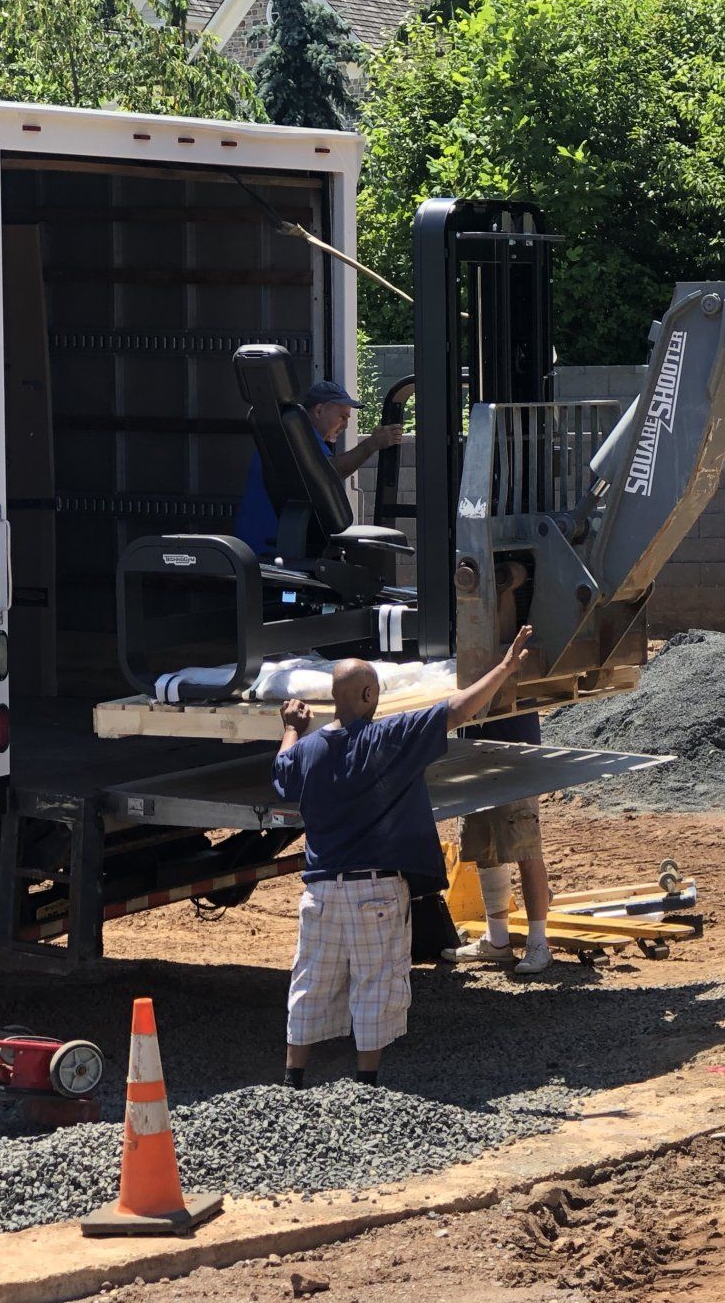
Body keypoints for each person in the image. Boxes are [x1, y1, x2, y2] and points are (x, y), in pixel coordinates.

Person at [275, 625, 534, 1087]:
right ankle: (367, 1083)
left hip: (319, 893)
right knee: (377, 982)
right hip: (375, 890)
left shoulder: (310, 750)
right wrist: (504, 668)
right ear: (370, 694)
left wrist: (293, 729)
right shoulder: (390, 738)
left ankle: (294, 1077)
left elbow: (282, 772)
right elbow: (455, 710)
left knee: (311, 983)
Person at [443, 562, 553, 975]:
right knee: (484, 846)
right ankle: (498, 940)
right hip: (476, 750)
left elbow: (510, 604)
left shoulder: (515, 644)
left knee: (524, 846)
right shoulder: (470, 641)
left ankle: (539, 943)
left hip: (515, 753)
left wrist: (509, 583)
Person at [234, 379, 404, 558]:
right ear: (319, 410)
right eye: (343, 417)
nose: (345, 425)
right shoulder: (300, 440)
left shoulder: (289, 436)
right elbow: (329, 474)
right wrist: (371, 444)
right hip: (271, 545)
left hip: (266, 543)